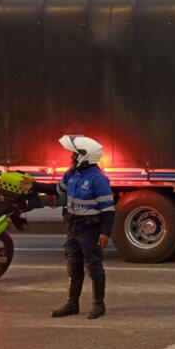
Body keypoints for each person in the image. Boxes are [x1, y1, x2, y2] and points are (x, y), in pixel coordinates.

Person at [30, 135, 115, 319]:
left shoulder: (99, 179)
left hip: (90, 229)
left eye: (75, 154)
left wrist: (105, 233)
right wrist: (33, 185)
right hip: (73, 226)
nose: (72, 157)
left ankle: (98, 304)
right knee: (73, 264)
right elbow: (57, 189)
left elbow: (108, 210)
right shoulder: (73, 173)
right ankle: (72, 304)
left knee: (94, 265)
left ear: (85, 156)